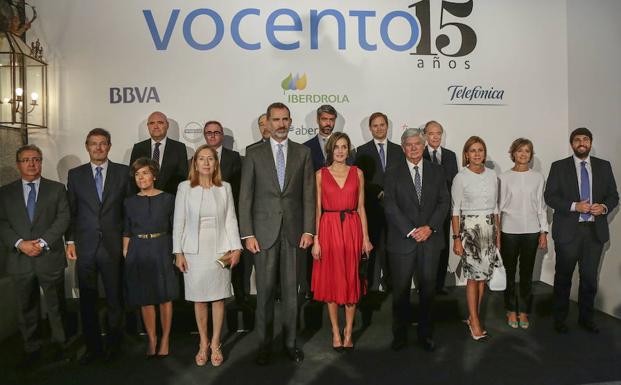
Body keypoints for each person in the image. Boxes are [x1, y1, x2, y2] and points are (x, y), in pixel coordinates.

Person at [239, 102, 315, 365]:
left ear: (290, 121)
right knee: (265, 293)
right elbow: (245, 196)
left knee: (293, 294)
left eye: (285, 119)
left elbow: (308, 194)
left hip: (294, 233)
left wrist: (308, 229)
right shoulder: (253, 153)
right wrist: (247, 233)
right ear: (267, 123)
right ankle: (263, 347)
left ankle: (291, 344)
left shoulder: (303, 152)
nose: (281, 124)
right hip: (263, 233)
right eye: (276, 120)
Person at [0, 145, 70, 367]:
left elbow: (63, 219)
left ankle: (61, 345)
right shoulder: (5, 192)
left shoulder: (57, 189)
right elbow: (2, 223)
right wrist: (21, 244)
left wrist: (41, 242)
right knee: (26, 307)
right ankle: (32, 347)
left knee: (56, 305)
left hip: (48, 257)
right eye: (26, 160)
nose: (31, 164)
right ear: (18, 164)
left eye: (36, 159)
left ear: (41, 162)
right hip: (20, 259)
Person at [173, 145, 242, 367]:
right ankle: (202, 343)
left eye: (210, 159)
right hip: (193, 250)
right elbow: (179, 222)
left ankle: (216, 344)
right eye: (201, 159)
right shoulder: (184, 188)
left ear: (215, 163)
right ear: (195, 163)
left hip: (220, 248)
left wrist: (236, 248)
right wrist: (178, 252)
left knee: (218, 297)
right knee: (199, 298)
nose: (206, 162)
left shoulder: (225, 188)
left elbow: (231, 219)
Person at [545, 127, 618, 334]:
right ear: (572, 144)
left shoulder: (604, 167)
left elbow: (613, 196)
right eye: (577, 140)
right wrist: (574, 206)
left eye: (585, 139)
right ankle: (559, 320)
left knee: (589, 278)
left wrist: (603, 208)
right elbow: (550, 196)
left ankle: (586, 319)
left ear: (591, 143)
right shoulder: (559, 167)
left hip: (594, 232)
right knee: (563, 277)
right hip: (568, 231)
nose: (581, 142)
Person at [66, 128, 130, 364]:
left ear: (110, 146)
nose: (98, 148)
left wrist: (127, 239)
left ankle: (115, 345)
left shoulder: (123, 173)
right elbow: (71, 212)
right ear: (87, 146)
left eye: (103, 143)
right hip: (86, 246)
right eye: (94, 144)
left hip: (114, 246)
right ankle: (93, 347)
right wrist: (70, 241)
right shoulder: (75, 175)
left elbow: (128, 210)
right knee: (87, 300)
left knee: (115, 298)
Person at [384, 129, 450, 352]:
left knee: (428, 291)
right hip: (403, 241)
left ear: (424, 146)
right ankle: (400, 335)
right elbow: (390, 206)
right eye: (408, 144)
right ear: (402, 148)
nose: (413, 148)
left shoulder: (437, 171)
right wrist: (412, 230)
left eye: (417, 144)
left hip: (430, 240)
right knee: (401, 291)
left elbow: (444, 203)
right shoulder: (392, 172)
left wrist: (429, 228)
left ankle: (425, 335)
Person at [311, 133, 372, 351]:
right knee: (332, 280)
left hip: (352, 229)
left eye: (344, 147)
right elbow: (317, 209)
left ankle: (349, 329)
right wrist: (316, 240)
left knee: (351, 279)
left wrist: (366, 238)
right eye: (336, 147)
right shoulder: (320, 174)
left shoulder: (358, 173)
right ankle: (335, 331)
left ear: (348, 150)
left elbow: (361, 207)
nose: (340, 151)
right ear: (330, 149)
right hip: (328, 229)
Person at [122, 158, 178, 358]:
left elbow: (176, 229)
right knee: (145, 299)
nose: (141, 177)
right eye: (137, 174)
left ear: (154, 175)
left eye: (145, 173)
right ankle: (152, 339)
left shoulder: (169, 199)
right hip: (138, 251)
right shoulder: (129, 202)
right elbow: (126, 231)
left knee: (165, 297)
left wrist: (176, 253)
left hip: (162, 247)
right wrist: (127, 255)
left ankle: (165, 339)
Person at [451, 136, 499, 341]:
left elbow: (496, 208)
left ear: (484, 153)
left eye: (480, 150)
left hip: (489, 228)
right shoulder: (460, 177)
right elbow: (455, 210)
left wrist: (498, 236)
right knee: (472, 278)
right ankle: (475, 322)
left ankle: (473, 316)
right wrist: (456, 238)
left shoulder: (492, 175)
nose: (477, 154)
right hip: (470, 230)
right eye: (473, 150)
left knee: (483, 278)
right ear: (466, 154)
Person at [498, 138, 548, 329]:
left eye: (527, 151)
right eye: (519, 151)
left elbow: (541, 207)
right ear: (513, 153)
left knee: (527, 273)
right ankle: (511, 309)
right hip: (509, 229)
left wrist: (543, 231)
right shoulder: (503, 177)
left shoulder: (538, 177)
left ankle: (524, 311)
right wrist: (497, 234)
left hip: (532, 231)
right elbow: (498, 207)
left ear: (531, 154)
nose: (523, 154)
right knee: (509, 273)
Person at [355, 112, 405, 292]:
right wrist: (377, 192)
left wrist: (389, 193)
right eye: (375, 125)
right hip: (372, 208)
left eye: (382, 124)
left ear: (387, 126)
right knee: (371, 249)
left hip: (395, 209)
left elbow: (402, 178)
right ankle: (370, 285)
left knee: (393, 248)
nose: (379, 128)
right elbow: (360, 180)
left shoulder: (399, 150)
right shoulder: (361, 151)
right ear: (370, 128)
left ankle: (391, 284)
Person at [203, 120, 247, 303]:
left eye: (216, 132)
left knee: (236, 262)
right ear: (205, 136)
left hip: (231, 216)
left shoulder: (235, 157)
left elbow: (240, 189)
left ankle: (240, 300)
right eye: (209, 133)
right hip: (206, 221)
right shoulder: (197, 158)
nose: (213, 136)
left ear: (222, 135)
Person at [422, 120, 459, 294]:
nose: (435, 137)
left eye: (438, 133)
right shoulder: (419, 154)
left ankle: (439, 284)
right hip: (424, 211)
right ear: (425, 135)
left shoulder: (450, 155)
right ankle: (425, 285)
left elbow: (455, 183)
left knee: (442, 247)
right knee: (425, 249)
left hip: (444, 209)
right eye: (431, 133)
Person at [129, 111, 189, 195]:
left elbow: (182, 177)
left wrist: (163, 196)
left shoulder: (179, 148)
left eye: (160, 123)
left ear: (167, 125)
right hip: (143, 199)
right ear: (148, 126)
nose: (156, 126)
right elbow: (132, 176)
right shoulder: (138, 148)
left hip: (170, 199)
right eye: (152, 123)